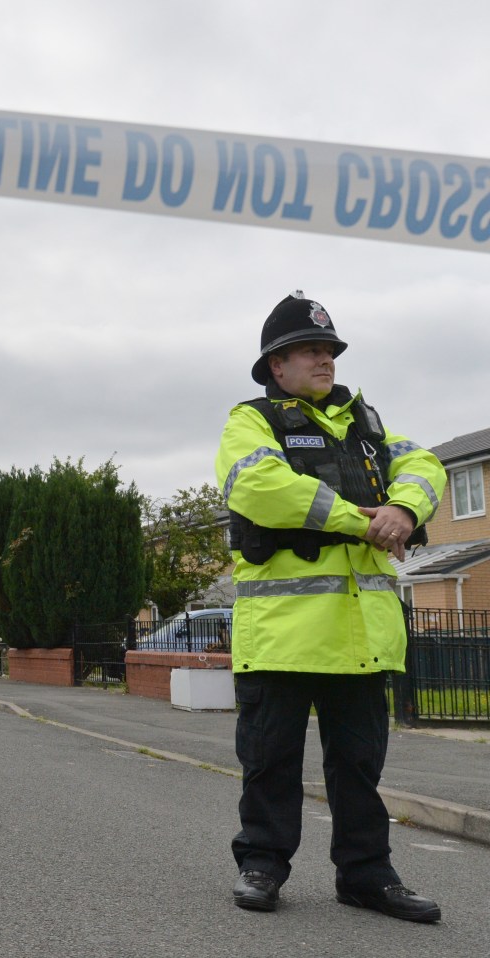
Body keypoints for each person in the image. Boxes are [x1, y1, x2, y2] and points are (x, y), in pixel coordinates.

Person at [215, 292, 444, 922]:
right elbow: (261, 486)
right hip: (283, 636)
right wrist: (361, 522)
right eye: (311, 350)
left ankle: (368, 876)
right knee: (270, 764)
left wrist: (402, 510)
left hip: (363, 638)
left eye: (330, 350)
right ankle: (261, 866)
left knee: (360, 769)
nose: (326, 359)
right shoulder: (251, 421)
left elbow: (425, 466)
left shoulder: (367, 425)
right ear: (275, 367)